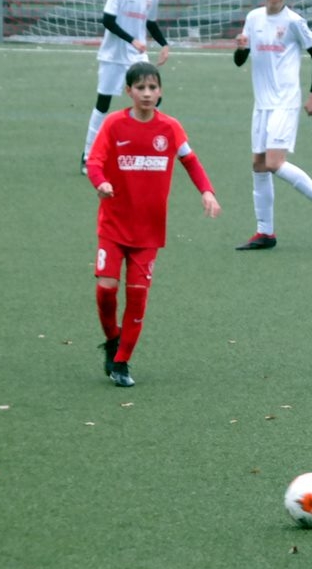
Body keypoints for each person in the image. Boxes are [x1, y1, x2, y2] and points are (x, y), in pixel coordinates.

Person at [87, 62, 221, 388]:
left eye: (152, 88)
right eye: (140, 88)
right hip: (114, 225)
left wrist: (207, 191)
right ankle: (112, 339)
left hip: (148, 231)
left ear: (160, 91)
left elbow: (190, 161)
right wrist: (101, 182)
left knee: (137, 296)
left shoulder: (171, 128)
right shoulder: (114, 124)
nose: (147, 94)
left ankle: (121, 362)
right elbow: (94, 161)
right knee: (106, 290)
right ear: (128, 91)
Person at [232, 0, 312, 250]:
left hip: (285, 101)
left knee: (273, 163)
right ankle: (265, 232)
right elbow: (239, 61)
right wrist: (240, 48)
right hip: (262, 104)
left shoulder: (294, 22)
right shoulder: (253, 18)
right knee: (258, 166)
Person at [81, 0, 171, 176]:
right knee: (103, 103)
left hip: (136, 57)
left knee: (153, 98)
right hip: (112, 56)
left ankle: (147, 147)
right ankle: (88, 154)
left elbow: (150, 24)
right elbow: (108, 21)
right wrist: (132, 40)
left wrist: (164, 44)